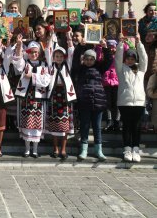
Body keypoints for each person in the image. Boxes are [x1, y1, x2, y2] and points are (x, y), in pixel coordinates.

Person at [75, 45, 111, 162]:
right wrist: (80, 46)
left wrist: (105, 48)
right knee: (84, 126)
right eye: (87, 59)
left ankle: (98, 149)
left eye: (91, 59)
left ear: (95, 60)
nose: (89, 61)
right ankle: (84, 149)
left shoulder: (99, 68)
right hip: (84, 101)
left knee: (97, 127)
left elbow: (109, 61)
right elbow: (75, 59)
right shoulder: (80, 69)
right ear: (83, 59)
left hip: (98, 101)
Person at [15, 41, 51, 158]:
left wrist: (32, 76)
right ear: (28, 53)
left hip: (38, 99)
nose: (33, 54)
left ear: (39, 53)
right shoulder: (25, 63)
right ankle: (26, 149)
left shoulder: (44, 65)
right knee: (26, 123)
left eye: (35, 52)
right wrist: (19, 45)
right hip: (26, 98)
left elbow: (46, 81)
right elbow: (17, 63)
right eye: (31, 52)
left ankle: (35, 149)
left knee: (37, 124)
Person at [115, 33, 148, 163]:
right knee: (127, 126)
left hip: (139, 102)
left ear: (135, 58)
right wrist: (120, 44)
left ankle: (135, 149)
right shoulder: (121, 69)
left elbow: (144, 58)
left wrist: (139, 43)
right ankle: (127, 149)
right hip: (125, 102)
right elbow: (117, 58)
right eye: (128, 57)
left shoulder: (141, 69)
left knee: (137, 127)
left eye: (132, 57)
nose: (130, 60)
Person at [45, 32, 76, 161]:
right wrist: (51, 35)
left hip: (65, 97)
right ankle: (55, 148)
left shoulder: (67, 66)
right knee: (54, 124)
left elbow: (72, 51)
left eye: (60, 56)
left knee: (65, 125)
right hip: (53, 96)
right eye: (56, 56)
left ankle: (63, 149)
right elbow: (47, 50)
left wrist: (69, 38)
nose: (58, 58)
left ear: (64, 57)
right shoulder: (51, 66)